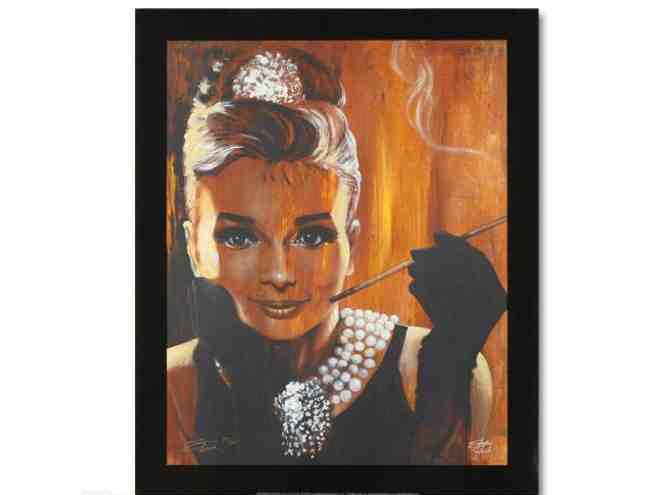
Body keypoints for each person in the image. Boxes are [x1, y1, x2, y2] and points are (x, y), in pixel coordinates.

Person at [166, 48, 507, 465]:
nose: (280, 275)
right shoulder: (167, 386)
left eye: (311, 236)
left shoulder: (432, 369)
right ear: (193, 247)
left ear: (352, 245)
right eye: (238, 237)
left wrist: (446, 382)